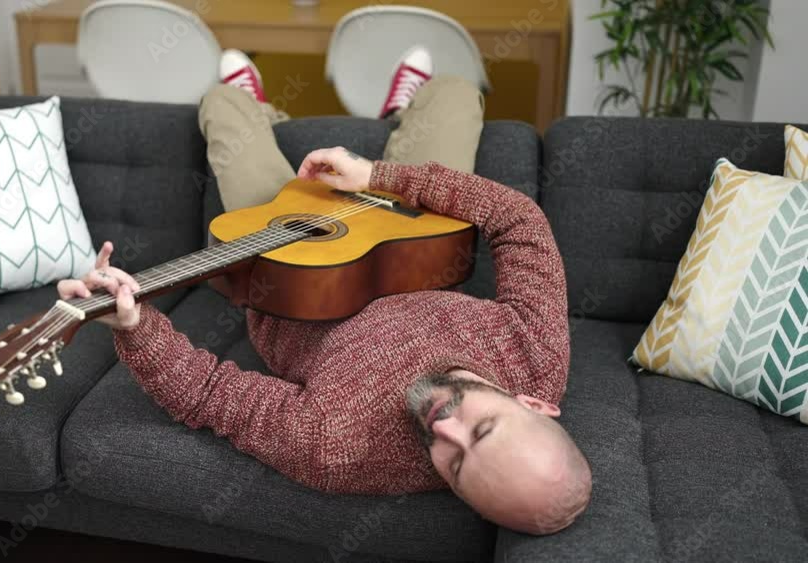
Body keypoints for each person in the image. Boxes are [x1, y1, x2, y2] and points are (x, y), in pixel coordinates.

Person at [57, 47, 591, 535]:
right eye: (483, 430)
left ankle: (257, 104)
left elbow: (210, 395)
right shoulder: (538, 355)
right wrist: (375, 175)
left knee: (222, 103)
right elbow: (520, 221)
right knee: (454, 93)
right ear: (535, 402)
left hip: (286, 265)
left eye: (454, 468)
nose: (445, 430)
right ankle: (396, 117)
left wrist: (135, 326)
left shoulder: (339, 450)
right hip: (407, 234)